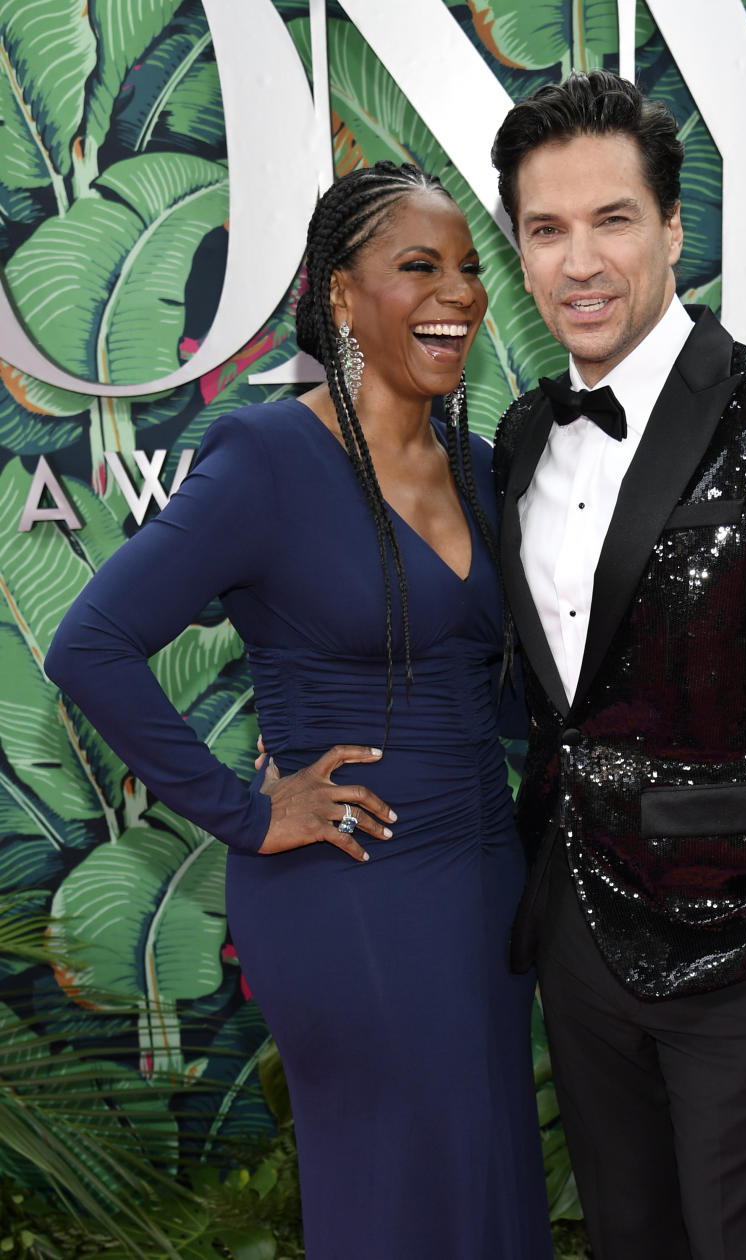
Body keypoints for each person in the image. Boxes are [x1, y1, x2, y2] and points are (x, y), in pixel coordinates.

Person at [44, 161, 553, 1260]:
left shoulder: (477, 468)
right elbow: (90, 645)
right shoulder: (269, 458)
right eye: (417, 267)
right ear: (338, 294)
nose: (457, 293)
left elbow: (509, 697)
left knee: (487, 1171)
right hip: (349, 886)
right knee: (399, 1190)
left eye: (468, 268)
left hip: (483, 885)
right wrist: (244, 812)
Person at [489, 70, 746, 1260]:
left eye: (612, 220)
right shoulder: (522, 435)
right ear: (518, 252)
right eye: (546, 229)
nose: (580, 261)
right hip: (578, 937)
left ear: (674, 230)